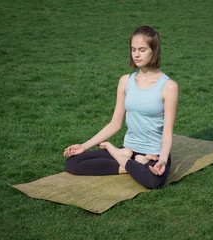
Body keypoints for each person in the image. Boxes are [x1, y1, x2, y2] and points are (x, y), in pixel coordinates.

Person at [63, 25, 179, 189]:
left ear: (154, 50)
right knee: (73, 163)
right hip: (129, 148)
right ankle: (131, 161)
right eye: (133, 49)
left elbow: (167, 134)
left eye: (142, 49)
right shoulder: (126, 81)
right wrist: (83, 146)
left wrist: (162, 160)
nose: (136, 54)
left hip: (154, 153)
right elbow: (115, 123)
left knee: (153, 181)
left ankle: (120, 155)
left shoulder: (169, 86)